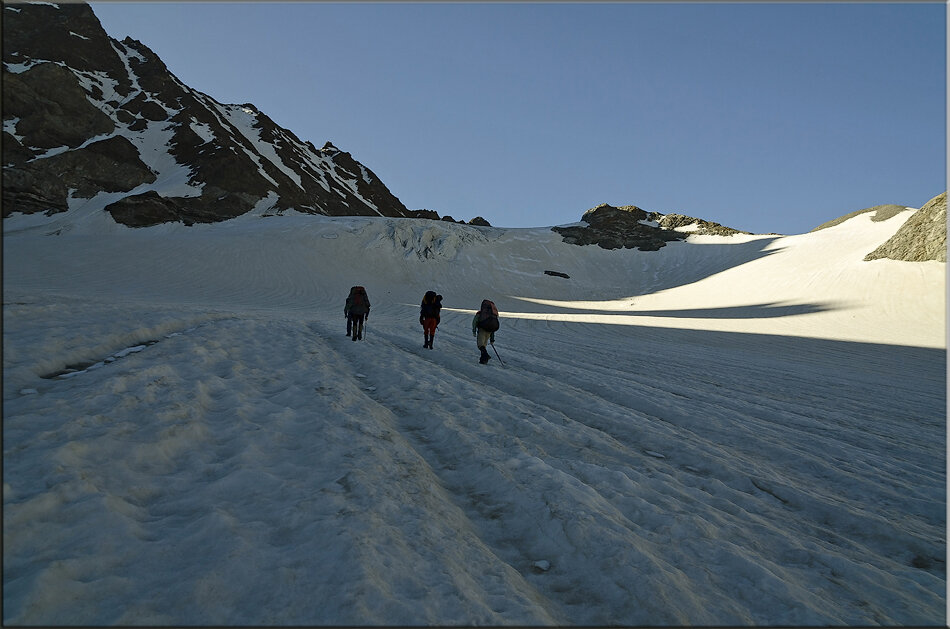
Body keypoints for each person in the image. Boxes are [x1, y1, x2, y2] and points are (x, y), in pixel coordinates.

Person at [472, 299, 499, 364]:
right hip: (489, 332)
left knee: (480, 345)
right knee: (484, 345)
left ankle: (485, 356)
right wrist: (492, 339)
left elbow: (474, 322)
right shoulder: (492, 316)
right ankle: (483, 360)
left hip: (482, 330)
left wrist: (474, 330)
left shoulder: (480, 314)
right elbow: (492, 327)